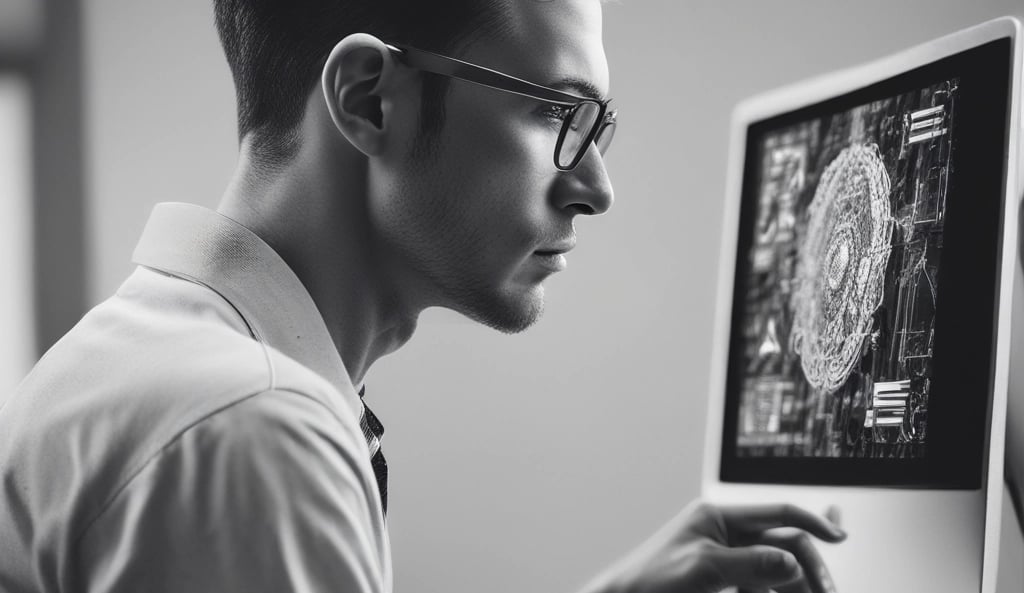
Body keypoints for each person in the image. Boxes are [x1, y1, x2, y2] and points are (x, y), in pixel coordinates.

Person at [0, 1, 854, 592]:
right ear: (371, 99)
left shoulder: (164, 362)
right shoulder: (250, 428)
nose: (597, 188)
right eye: (557, 112)